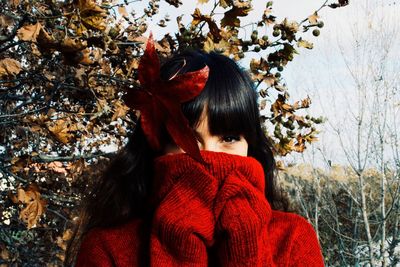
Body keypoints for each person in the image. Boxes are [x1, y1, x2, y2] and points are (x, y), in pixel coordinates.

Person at [65, 36, 325, 267]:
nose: (208, 155)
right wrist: (176, 249)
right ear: (157, 146)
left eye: (230, 138)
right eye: (186, 139)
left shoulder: (292, 239)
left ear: (251, 147)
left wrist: (248, 250)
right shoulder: (107, 248)